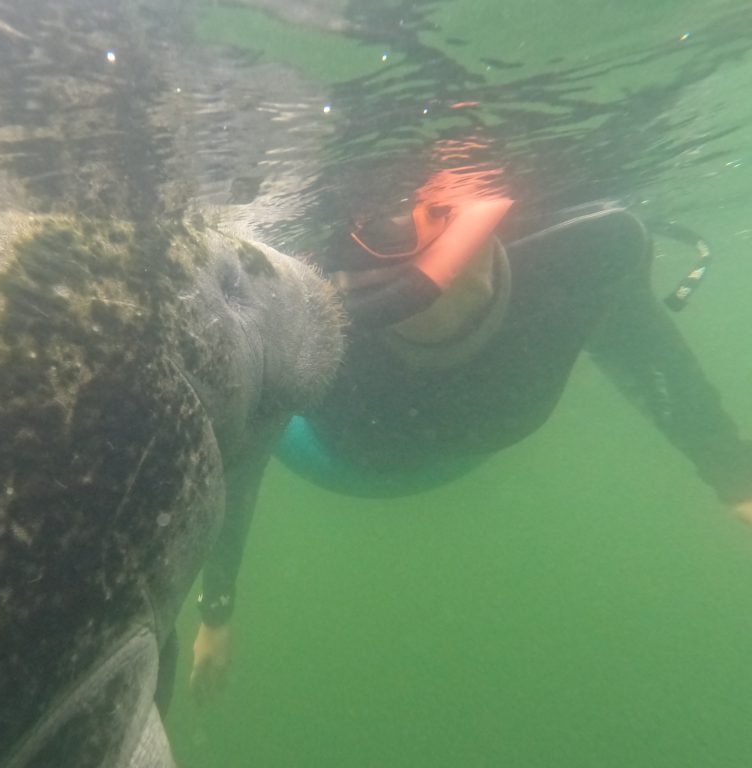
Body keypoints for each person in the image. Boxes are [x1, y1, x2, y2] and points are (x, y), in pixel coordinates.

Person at [188, 157, 752, 701]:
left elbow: (647, 352)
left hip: (466, 442)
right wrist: (217, 610)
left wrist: (733, 475)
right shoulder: (319, 333)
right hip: (339, 461)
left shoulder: (576, 260)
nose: (352, 268)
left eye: (412, 217)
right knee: (262, 400)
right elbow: (248, 450)